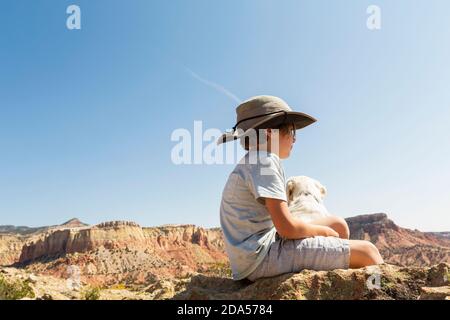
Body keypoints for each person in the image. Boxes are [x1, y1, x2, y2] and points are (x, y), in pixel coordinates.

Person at [217, 95, 383, 281]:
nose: (294, 139)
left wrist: (328, 231)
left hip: (253, 254)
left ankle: (337, 275)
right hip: (262, 259)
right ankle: (372, 291)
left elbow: (281, 227)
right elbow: (287, 228)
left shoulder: (254, 161)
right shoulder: (265, 162)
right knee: (369, 252)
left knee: (338, 224)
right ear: (270, 133)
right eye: (291, 131)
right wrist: (323, 232)